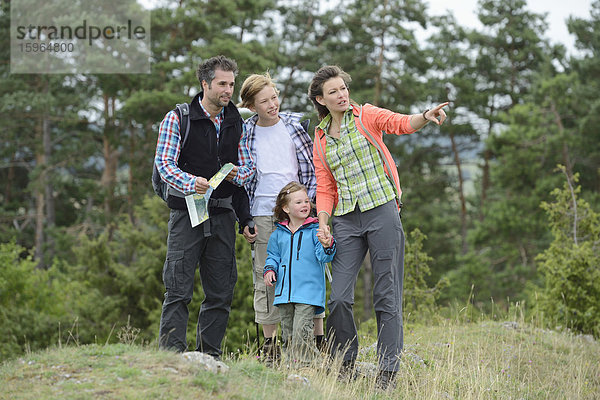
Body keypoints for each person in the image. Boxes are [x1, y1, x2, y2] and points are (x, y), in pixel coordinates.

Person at [307, 65, 448, 389]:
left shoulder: (366, 115)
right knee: (339, 298)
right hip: (345, 219)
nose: (342, 95)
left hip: (381, 210)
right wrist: (324, 223)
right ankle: (345, 364)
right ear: (321, 99)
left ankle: (387, 372)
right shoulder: (321, 137)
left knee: (387, 294)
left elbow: (400, 123)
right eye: (334, 92)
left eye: (343, 88)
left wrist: (425, 115)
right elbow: (325, 185)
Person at [155, 55, 255, 358]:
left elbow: (249, 167)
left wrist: (239, 172)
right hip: (187, 213)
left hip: (223, 213)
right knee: (178, 289)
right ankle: (171, 357)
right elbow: (164, 164)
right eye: (222, 84)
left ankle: (209, 357)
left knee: (221, 292)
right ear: (205, 84)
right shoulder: (179, 118)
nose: (228, 90)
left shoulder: (237, 119)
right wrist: (190, 182)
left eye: (231, 84)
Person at [237, 72, 324, 366]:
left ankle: (316, 339)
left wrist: (308, 208)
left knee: (310, 271)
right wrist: (244, 217)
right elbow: (242, 179)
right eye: (264, 101)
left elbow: (311, 168)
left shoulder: (294, 125)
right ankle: (271, 344)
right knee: (267, 276)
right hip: (263, 212)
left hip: (299, 212)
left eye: (274, 97)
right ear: (252, 106)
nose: (272, 104)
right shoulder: (245, 132)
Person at [263, 182, 335, 366]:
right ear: (285, 208)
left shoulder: (315, 231)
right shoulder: (278, 234)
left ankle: (309, 367)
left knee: (302, 330)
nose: (305, 205)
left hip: (308, 293)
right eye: (298, 202)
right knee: (288, 333)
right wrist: (269, 270)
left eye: (307, 201)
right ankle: (292, 365)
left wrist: (327, 244)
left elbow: (324, 256)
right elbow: (273, 256)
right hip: (284, 294)